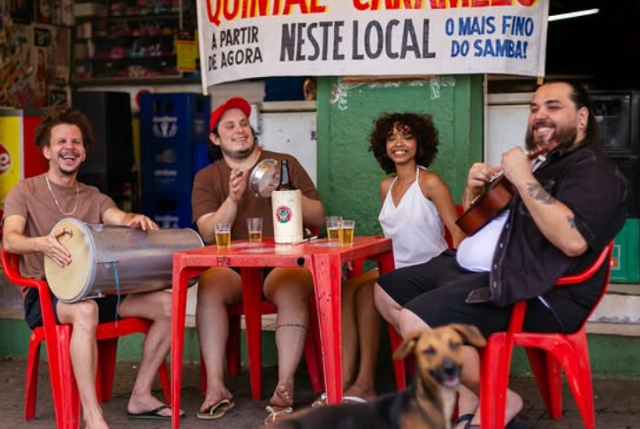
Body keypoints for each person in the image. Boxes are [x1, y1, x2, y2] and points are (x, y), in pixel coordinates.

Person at [373, 80, 628, 429]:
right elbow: (479, 223)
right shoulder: (541, 162)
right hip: (477, 268)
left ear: (582, 117)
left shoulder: (593, 170)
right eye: (534, 108)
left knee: (417, 320)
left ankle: (497, 398)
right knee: (386, 291)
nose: (540, 115)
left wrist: (523, 179)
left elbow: (572, 240)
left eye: (553, 107)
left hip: (539, 288)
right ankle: (472, 392)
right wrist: (473, 189)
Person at [1, 106, 182, 429]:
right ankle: (92, 415)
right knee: (84, 312)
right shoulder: (25, 191)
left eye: (77, 142)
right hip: (46, 295)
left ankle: (140, 394)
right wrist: (42, 243)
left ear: (83, 153)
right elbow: (11, 240)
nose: (69, 147)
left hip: (96, 288)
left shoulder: (93, 196)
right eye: (61, 142)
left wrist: (133, 220)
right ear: (46, 150)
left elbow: (118, 218)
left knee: (170, 303)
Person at [312, 112, 464, 407]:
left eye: (407, 136)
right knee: (350, 288)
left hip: (429, 270)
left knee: (368, 291)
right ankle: (340, 382)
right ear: (384, 146)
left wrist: (453, 280)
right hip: (398, 267)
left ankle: (365, 383)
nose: (399, 143)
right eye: (392, 137)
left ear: (420, 144)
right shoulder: (386, 186)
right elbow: (392, 237)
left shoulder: (431, 182)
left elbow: (458, 233)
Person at [192, 97, 325, 424]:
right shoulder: (208, 177)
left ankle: (284, 384)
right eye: (229, 125)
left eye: (243, 123)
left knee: (293, 285)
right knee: (209, 284)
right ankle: (216, 386)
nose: (239, 130)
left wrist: (286, 191)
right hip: (235, 269)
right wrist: (232, 200)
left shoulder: (283, 163)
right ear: (215, 138)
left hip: (282, 262)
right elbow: (209, 233)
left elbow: (319, 216)